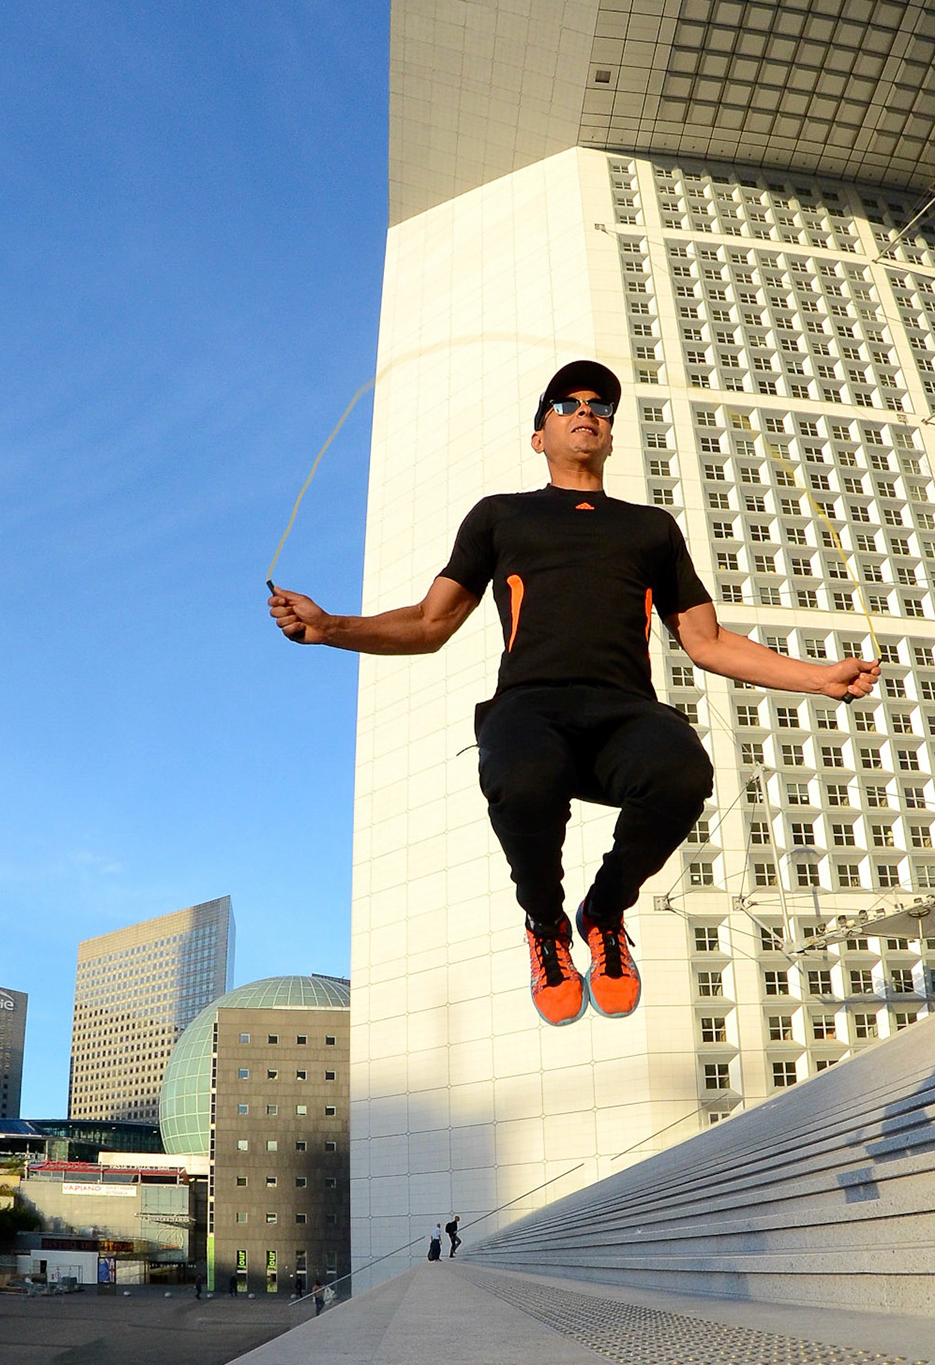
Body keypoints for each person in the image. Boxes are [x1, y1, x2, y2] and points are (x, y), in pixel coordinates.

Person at [270, 359, 879, 1026]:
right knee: (522, 772)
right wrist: (330, 627)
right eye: (566, 403)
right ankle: (546, 925)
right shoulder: (501, 518)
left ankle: (605, 913)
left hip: (623, 711)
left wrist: (818, 678)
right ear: (540, 436)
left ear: (611, 436)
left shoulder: (650, 529)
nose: (586, 410)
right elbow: (428, 623)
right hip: (531, 707)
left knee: (683, 769)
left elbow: (707, 641)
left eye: (599, 405)